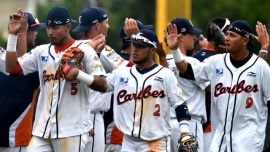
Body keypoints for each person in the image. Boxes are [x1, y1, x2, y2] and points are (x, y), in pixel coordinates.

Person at [64, 29, 193, 152]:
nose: (135, 49)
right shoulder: (122, 73)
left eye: (141, 46)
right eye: (134, 45)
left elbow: (180, 104)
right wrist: (79, 75)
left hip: (156, 141)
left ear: (152, 50)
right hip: (128, 142)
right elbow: (102, 85)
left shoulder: (165, 74)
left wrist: (185, 131)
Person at [5, 6, 106, 152]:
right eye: (48, 27)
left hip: (72, 130)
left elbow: (103, 85)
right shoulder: (41, 51)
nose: (50, 32)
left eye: (56, 28)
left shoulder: (85, 50)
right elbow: (11, 67)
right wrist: (13, 35)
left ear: (68, 26)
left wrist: (79, 75)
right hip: (43, 130)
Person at [165, 20, 270, 152]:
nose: (226, 38)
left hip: (249, 142)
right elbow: (187, 71)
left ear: (245, 41)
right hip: (219, 141)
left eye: (232, 35)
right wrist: (174, 50)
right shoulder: (216, 62)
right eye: (226, 34)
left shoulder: (261, 66)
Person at [103, 19, 154, 152]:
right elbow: (133, 75)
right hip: (117, 133)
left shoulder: (141, 63)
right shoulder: (115, 61)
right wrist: (136, 39)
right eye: (141, 35)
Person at [0, 10, 45, 152]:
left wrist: (15, 35)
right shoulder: (33, 65)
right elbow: (18, 64)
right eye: (34, 30)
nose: (36, 33)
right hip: (16, 139)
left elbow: (18, 61)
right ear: (25, 31)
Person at [163, 17, 208, 152]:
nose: (194, 38)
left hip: (167, 125)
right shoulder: (193, 63)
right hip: (189, 123)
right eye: (191, 34)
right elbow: (214, 87)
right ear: (181, 37)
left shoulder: (162, 62)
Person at [191, 17, 230, 152]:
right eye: (227, 33)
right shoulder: (223, 60)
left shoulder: (193, 58)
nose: (228, 38)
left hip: (191, 120)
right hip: (212, 123)